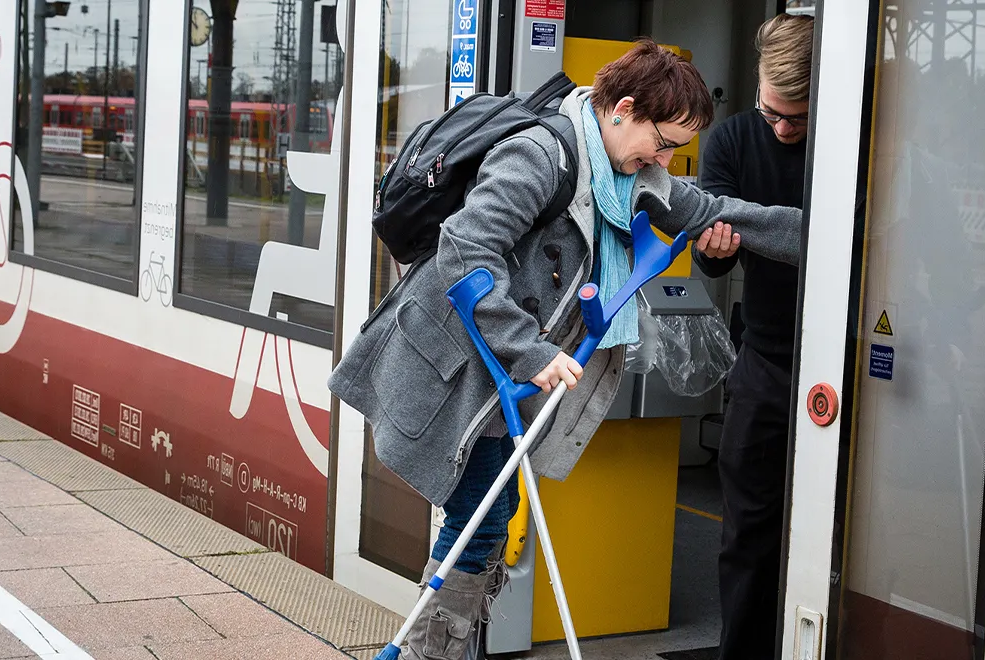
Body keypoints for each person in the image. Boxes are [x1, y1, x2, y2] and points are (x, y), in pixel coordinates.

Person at [329, 40, 803, 660]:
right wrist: (528, 350)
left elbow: (713, 208)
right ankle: (433, 651)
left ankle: (442, 647)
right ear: (624, 109)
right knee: (480, 526)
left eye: (673, 151)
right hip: (457, 370)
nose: (663, 160)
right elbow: (466, 250)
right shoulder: (540, 155)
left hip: (498, 381)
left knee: (482, 521)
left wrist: (825, 239)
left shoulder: (631, 175)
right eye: (661, 142)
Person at [689, 13, 813, 660]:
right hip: (765, 361)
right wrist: (714, 244)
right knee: (748, 536)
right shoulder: (734, 141)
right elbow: (712, 258)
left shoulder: (854, 140)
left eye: (798, 118)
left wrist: (757, 225)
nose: (783, 130)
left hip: (851, 364)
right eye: (773, 114)